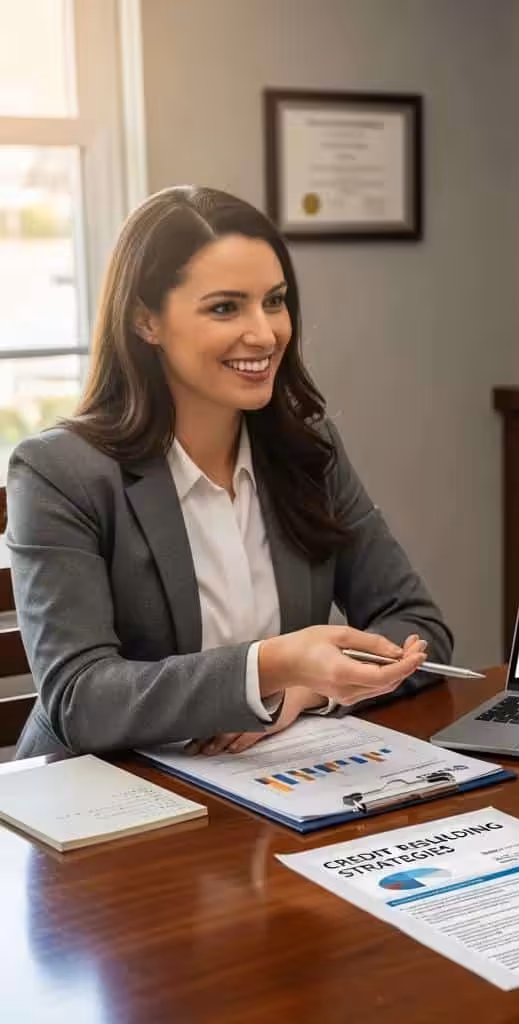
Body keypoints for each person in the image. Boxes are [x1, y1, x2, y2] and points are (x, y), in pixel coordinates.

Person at [6, 185, 452, 759]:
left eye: (274, 300)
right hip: (105, 802)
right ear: (146, 319)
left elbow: (419, 630)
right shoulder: (59, 473)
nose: (265, 334)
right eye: (225, 307)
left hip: (262, 787)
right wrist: (271, 665)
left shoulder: (307, 449)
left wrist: (302, 691)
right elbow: (81, 700)